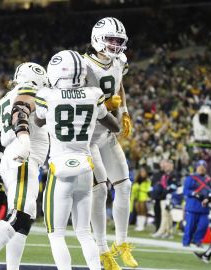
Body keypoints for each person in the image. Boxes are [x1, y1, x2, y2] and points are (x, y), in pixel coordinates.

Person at [35, 50, 120, 269]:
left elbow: (38, 120)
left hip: (59, 168)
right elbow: (115, 125)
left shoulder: (46, 95)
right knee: (84, 232)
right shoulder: (93, 93)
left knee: (56, 234)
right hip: (85, 167)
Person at [0, 62, 50, 270]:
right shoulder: (27, 92)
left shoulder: (4, 99)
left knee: (24, 220)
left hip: (12, 158)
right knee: (20, 214)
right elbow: (20, 111)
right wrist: (24, 141)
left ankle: (11, 268)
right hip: (23, 157)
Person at [83, 17, 137, 269]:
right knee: (101, 189)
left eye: (119, 41)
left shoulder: (120, 61)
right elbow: (77, 103)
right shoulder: (82, 66)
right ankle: (103, 249)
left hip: (107, 134)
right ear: (97, 38)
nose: (115, 46)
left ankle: (122, 243)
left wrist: (124, 109)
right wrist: (105, 106)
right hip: (87, 136)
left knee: (124, 185)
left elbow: (119, 83)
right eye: (110, 40)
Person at [182, 160, 211, 247]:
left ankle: (197, 241)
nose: (201, 169)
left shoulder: (208, 180)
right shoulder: (190, 178)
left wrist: (210, 196)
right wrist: (194, 193)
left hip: (204, 207)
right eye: (200, 167)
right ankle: (186, 242)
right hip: (192, 206)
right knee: (190, 227)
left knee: (203, 225)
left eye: (203, 167)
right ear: (196, 167)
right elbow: (185, 191)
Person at [131, 166, 151, 231]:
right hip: (137, 197)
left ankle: (142, 226)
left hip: (144, 198)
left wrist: (140, 188)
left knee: (143, 211)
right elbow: (133, 188)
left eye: (143, 172)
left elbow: (148, 188)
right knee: (138, 211)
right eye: (141, 172)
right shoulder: (137, 180)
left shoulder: (148, 180)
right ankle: (139, 225)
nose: (142, 173)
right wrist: (136, 188)